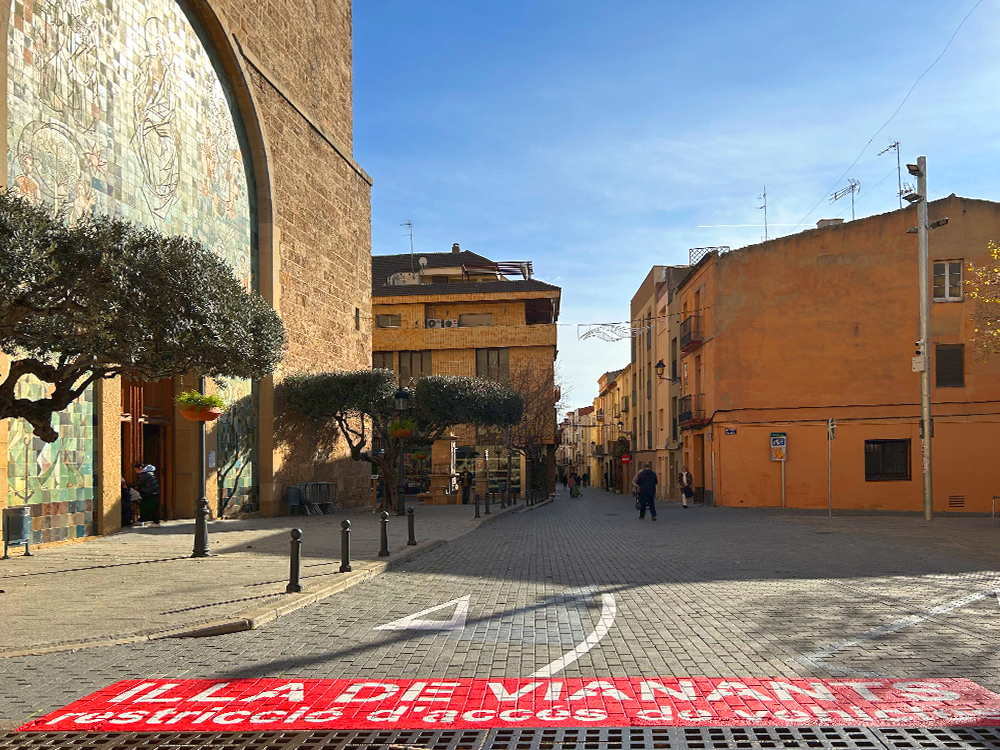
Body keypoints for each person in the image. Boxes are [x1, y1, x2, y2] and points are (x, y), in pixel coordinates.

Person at [133, 462, 161, 526]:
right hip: (153, 492)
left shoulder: (145, 474)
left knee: (149, 507)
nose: (136, 472)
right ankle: (142, 520)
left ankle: (155, 522)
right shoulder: (149, 473)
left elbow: (139, 483)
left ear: (140, 468)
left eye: (136, 470)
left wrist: (128, 485)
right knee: (145, 507)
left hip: (149, 493)